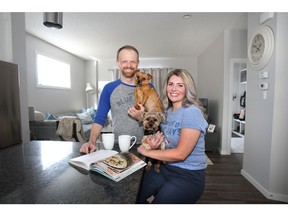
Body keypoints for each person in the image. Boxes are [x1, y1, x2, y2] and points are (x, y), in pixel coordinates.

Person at [136, 69, 208, 204]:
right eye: (171, 84)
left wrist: (147, 151)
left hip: (188, 175)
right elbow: (167, 142)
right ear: (166, 87)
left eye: (180, 85)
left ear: (187, 88)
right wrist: (156, 145)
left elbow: (180, 154)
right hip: (164, 168)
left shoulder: (192, 112)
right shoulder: (167, 111)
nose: (174, 89)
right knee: (132, 195)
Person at [80, 45, 145, 154]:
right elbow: (99, 118)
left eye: (132, 62)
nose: (129, 65)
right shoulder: (109, 88)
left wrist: (142, 117)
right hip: (116, 146)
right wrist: (91, 142)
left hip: (143, 146)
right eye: (124, 61)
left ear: (138, 63)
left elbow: (158, 119)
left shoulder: (148, 88)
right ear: (118, 63)